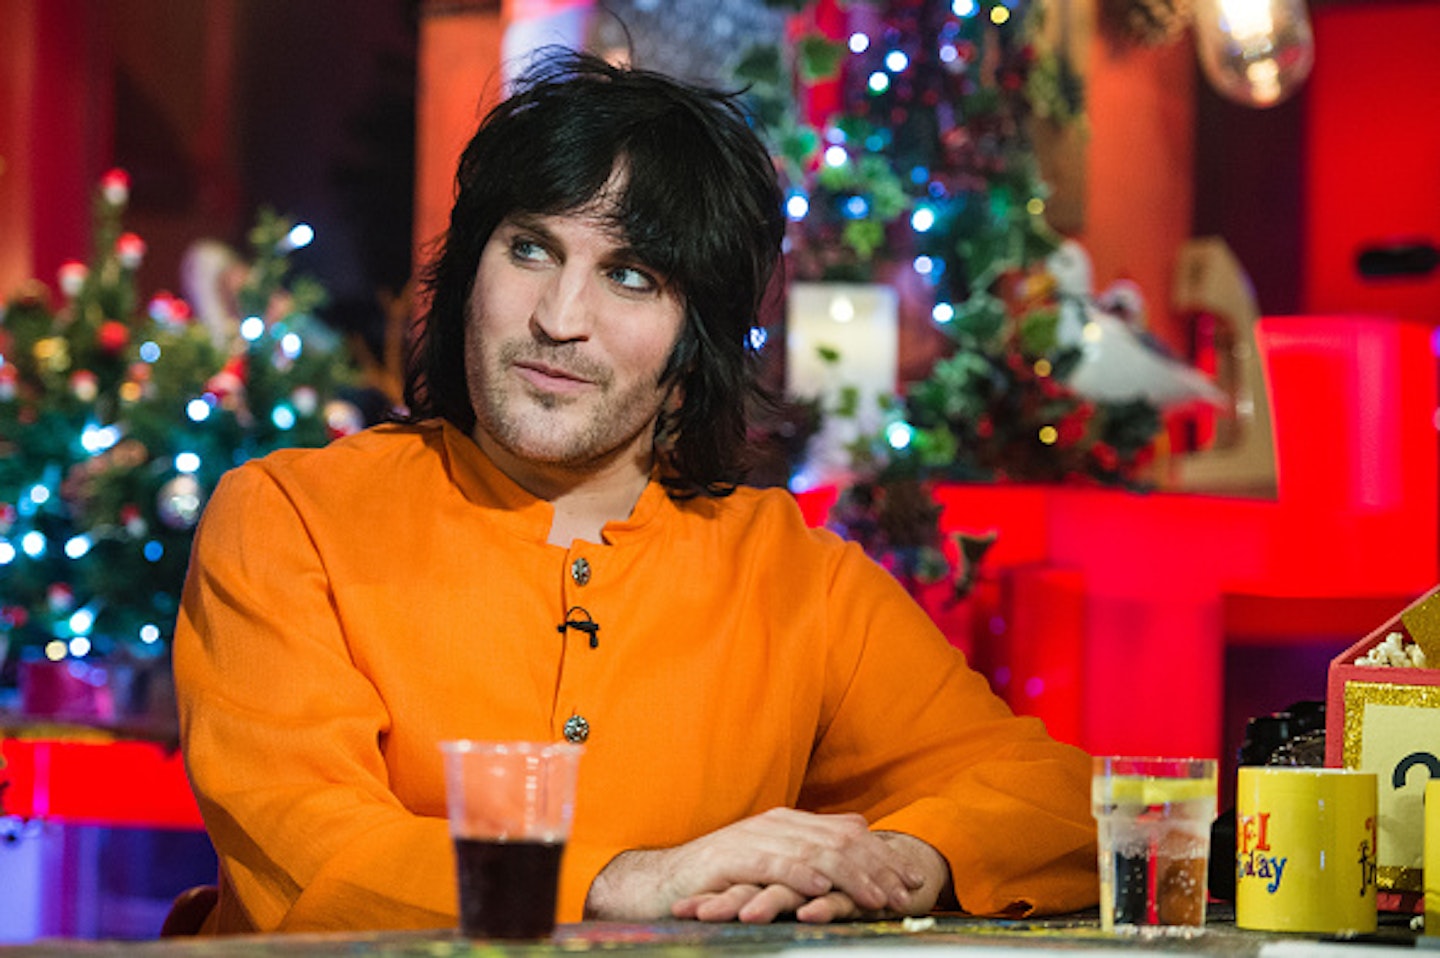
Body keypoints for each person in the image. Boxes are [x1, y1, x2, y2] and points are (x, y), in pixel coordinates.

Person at [174, 51, 1097, 935]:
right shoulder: (293, 518)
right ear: (467, 276)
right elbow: (309, 849)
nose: (558, 319)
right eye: (530, 250)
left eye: (629, 276)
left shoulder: (796, 580)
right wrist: (628, 884)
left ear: (697, 340)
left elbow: (1059, 805)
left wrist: (898, 863)